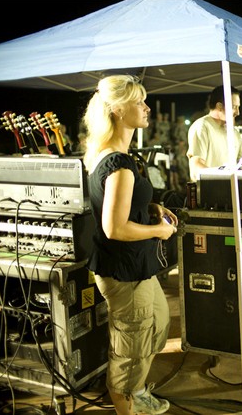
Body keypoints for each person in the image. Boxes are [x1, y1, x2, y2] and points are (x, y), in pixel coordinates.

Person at [81, 74, 177, 415]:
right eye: (139, 102)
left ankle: (136, 389)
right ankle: (126, 402)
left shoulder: (116, 155)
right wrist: (159, 231)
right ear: (118, 110)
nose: (147, 107)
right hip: (123, 269)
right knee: (131, 346)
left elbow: (120, 206)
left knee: (158, 323)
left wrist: (150, 209)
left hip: (136, 264)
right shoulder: (118, 163)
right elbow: (115, 228)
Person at [186, 85, 242, 182]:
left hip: (230, 189)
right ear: (219, 106)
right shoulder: (202, 127)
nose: (237, 112)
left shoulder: (233, 132)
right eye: (234, 107)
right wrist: (224, 177)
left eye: (238, 107)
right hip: (209, 190)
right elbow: (196, 168)